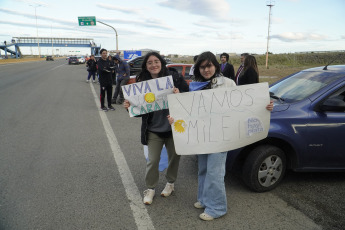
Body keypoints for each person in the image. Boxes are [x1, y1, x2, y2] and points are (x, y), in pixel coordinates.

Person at [168, 51, 273, 221]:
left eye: (209, 66)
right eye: (202, 67)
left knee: (215, 172)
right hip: (202, 136)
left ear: (215, 66)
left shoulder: (228, 83)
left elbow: (244, 104)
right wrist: (175, 116)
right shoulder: (195, 85)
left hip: (221, 137)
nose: (206, 70)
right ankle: (204, 199)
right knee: (203, 169)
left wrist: (264, 106)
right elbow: (188, 111)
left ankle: (217, 207)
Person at [123, 52, 189, 205]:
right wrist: (129, 107)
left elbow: (188, 97)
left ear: (161, 63)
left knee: (174, 158)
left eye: (156, 61)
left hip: (173, 128)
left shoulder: (174, 78)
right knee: (152, 160)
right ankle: (150, 188)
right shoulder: (141, 84)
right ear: (146, 66)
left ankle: (170, 183)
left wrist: (179, 95)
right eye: (150, 63)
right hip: (153, 130)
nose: (154, 65)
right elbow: (140, 111)